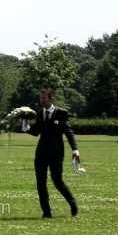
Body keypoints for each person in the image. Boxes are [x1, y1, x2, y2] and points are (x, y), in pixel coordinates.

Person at [21, 87, 80, 219]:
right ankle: (46, 212)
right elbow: (36, 132)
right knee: (40, 182)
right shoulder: (39, 113)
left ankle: (72, 203)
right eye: (40, 98)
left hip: (56, 153)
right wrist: (26, 126)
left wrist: (75, 149)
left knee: (57, 181)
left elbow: (68, 131)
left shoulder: (61, 113)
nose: (41, 100)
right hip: (41, 153)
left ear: (51, 98)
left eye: (43, 98)